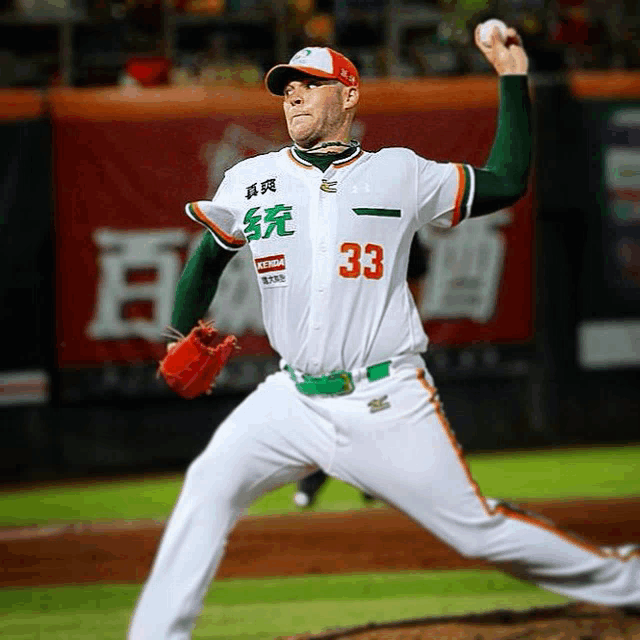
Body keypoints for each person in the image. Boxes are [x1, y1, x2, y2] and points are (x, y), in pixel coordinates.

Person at [129, 28, 640, 640]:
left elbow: (506, 179)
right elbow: (207, 259)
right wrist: (178, 331)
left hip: (384, 400)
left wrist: (510, 79)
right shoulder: (249, 179)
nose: (293, 97)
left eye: (309, 86)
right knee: (208, 485)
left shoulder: (399, 173)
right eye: (286, 88)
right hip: (290, 399)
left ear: (348, 96)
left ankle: (629, 583)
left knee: (476, 530)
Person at [293, 234, 427, 508]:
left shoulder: (398, 216)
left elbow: (416, 275)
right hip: (334, 334)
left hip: (381, 335)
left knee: (380, 409)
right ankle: (311, 484)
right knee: (328, 410)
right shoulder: (324, 217)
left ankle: (374, 483)